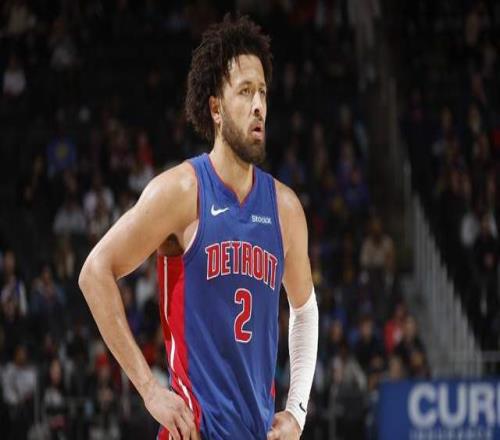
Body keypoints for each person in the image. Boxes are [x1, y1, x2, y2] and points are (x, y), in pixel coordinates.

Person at [79, 14, 318, 440]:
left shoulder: (285, 209)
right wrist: (149, 389)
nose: (259, 105)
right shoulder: (181, 191)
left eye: (263, 92)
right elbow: (95, 272)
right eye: (245, 91)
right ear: (216, 108)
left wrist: (297, 409)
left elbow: (305, 309)